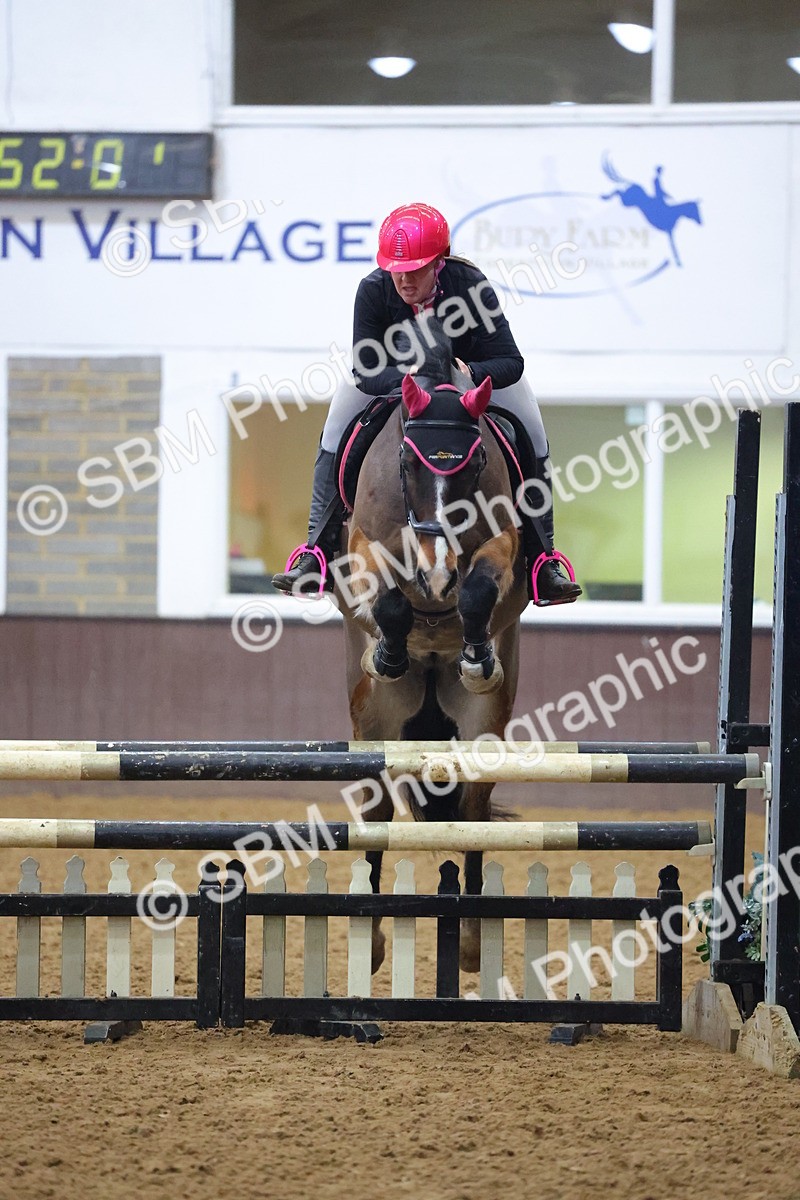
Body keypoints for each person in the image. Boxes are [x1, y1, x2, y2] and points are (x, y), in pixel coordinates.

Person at [272, 201, 581, 605]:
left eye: (416, 268)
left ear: (440, 261)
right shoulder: (373, 289)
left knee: (533, 431)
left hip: (467, 380)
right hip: (395, 381)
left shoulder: (469, 283)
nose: (403, 279)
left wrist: (468, 371)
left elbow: (511, 361)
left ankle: (544, 559)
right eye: (397, 269)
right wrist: (408, 384)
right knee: (334, 427)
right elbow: (366, 369)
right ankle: (315, 551)